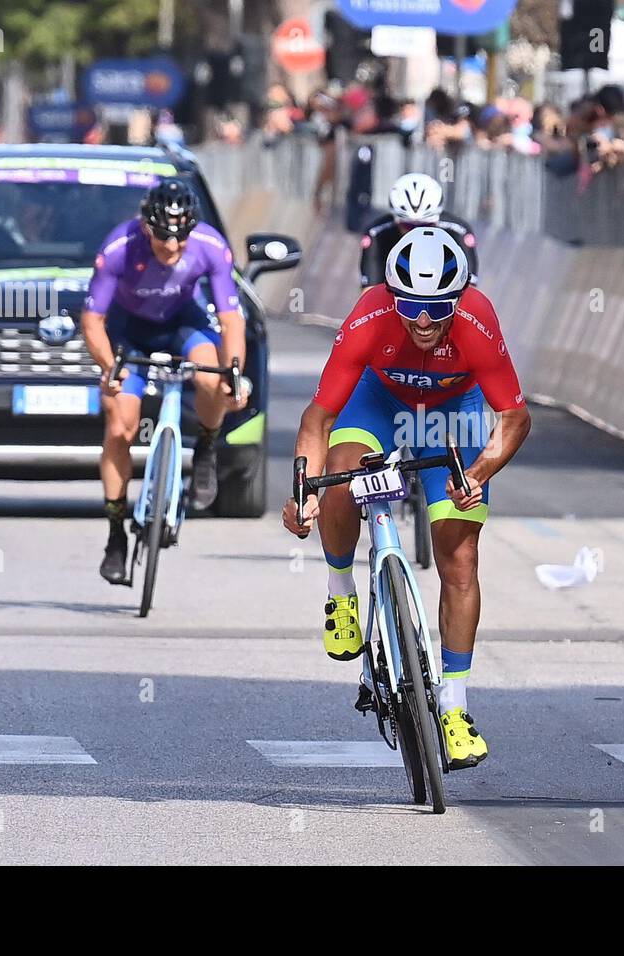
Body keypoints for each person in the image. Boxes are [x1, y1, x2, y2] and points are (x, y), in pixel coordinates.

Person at [283, 227, 531, 769]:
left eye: (437, 308)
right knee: (344, 476)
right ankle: (341, 591)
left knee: (460, 556)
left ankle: (455, 707)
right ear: (393, 297)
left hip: (452, 410)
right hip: (377, 403)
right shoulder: (370, 316)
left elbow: (513, 417)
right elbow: (318, 419)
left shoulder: (476, 321)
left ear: (458, 298)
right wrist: (303, 491)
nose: (422, 320)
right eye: (412, 307)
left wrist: (481, 470)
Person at [80, 178, 248, 583]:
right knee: (120, 427)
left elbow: (230, 320)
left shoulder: (210, 245)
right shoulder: (119, 247)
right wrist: (109, 368)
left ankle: (205, 448)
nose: (172, 248)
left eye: (180, 240)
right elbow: (92, 320)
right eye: (162, 240)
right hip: (128, 330)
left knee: (213, 377)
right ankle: (116, 532)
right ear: (145, 227)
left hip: (182, 323)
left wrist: (235, 374)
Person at [358, 172, 479, 288]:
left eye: (424, 226)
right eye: (408, 226)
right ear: (396, 220)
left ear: (436, 219)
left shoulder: (459, 231)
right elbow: (369, 291)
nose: (416, 233)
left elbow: (470, 290)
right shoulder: (376, 233)